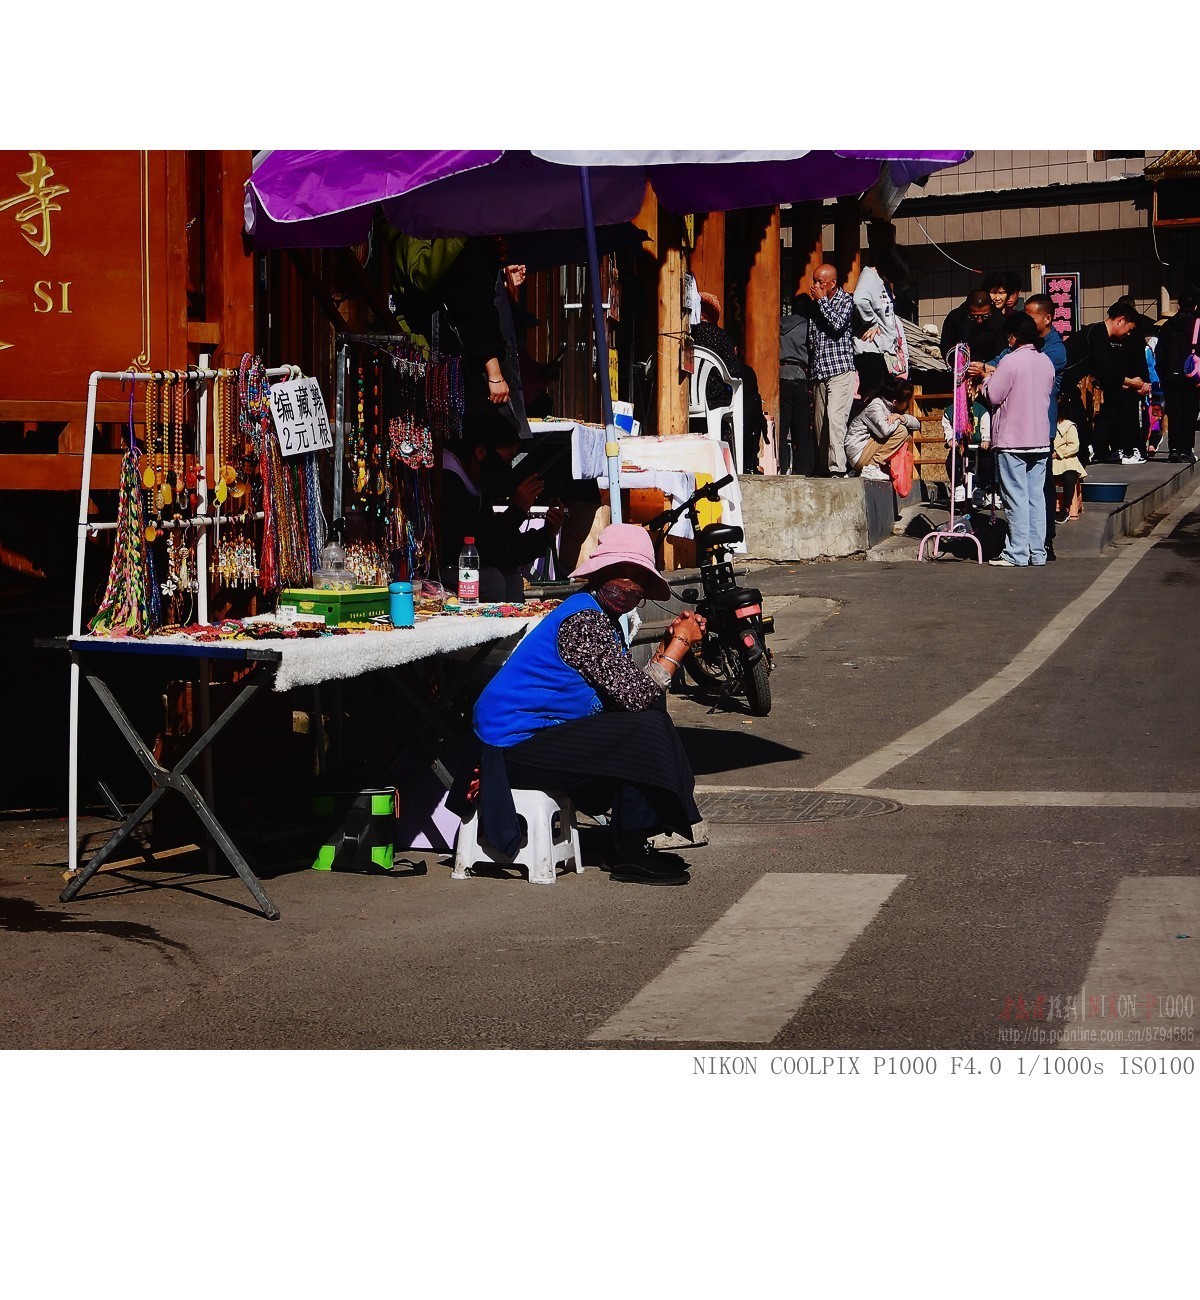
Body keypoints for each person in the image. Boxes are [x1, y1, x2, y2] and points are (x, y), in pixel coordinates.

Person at [466, 523, 706, 885]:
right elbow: (635, 696)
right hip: (511, 748)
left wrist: (666, 646)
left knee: (649, 715)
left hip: (543, 736)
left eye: (639, 578)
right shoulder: (584, 620)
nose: (630, 586)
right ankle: (630, 849)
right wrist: (678, 647)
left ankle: (632, 839)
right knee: (644, 725)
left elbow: (630, 691)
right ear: (601, 574)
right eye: (622, 573)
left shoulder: (602, 619)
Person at [439, 418, 564, 602]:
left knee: (512, 580)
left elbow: (503, 551)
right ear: (481, 453)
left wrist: (546, 534)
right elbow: (482, 546)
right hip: (443, 572)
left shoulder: (477, 485)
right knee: (493, 579)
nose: (508, 469)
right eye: (506, 460)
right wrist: (516, 511)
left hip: (471, 565)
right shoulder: (450, 482)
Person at [980, 311, 1056, 568]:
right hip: (1040, 438)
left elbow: (993, 395)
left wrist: (985, 380)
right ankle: (1038, 552)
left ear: (1013, 337)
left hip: (1013, 438)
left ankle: (1016, 553)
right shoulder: (1045, 361)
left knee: (1016, 498)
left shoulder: (1011, 362)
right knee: (1037, 497)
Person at [1062, 299, 1150, 464]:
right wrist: (1133, 383)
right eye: (1129, 329)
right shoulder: (1098, 333)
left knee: (1082, 425)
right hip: (1062, 383)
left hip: (1068, 384)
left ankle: (1084, 456)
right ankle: (1080, 459)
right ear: (1121, 320)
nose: (1128, 334)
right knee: (1079, 424)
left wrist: (1126, 384)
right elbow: (1106, 371)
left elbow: (1101, 373)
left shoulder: (1100, 334)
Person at [691, 292, 765, 473]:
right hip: (713, 399)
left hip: (686, 398)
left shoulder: (685, 333)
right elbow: (734, 371)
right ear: (712, 314)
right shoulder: (720, 335)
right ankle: (728, 464)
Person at [804, 263, 857, 477]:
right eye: (814, 281)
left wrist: (822, 302)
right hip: (819, 372)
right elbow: (811, 339)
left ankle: (838, 468)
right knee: (820, 425)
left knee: (835, 420)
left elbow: (837, 324)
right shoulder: (815, 306)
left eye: (820, 282)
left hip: (840, 370)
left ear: (833, 283)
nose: (815, 286)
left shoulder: (845, 301)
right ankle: (823, 468)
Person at [853, 249, 910, 399]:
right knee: (873, 399)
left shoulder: (882, 281)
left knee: (883, 399)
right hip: (870, 350)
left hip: (883, 350)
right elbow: (859, 300)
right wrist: (871, 323)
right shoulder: (869, 277)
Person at [1154, 288, 1200, 464]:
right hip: (1192, 377)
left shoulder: (1167, 326)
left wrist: (1163, 374)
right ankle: (1186, 450)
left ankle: (1173, 449)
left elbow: (1160, 352)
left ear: (1179, 306)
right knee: (1189, 412)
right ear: (1195, 306)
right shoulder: (1197, 324)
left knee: (1174, 413)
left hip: (1170, 376)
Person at [844, 375, 919, 482]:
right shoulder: (876, 406)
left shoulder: (891, 409)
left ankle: (871, 467)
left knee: (906, 431)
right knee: (902, 431)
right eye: (907, 402)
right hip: (858, 453)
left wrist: (901, 417)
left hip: (866, 451)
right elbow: (884, 431)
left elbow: (917, 424)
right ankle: (872, 467)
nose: (907, 405)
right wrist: (898, 420)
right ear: (895, 401)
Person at [779, 294, 814, 476]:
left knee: (781, 428)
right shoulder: (808, 327)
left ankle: (780, 466)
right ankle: (804, 470)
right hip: (800, 377)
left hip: (781, 376)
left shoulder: (779, 323)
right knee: (802, 429)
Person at [941, 289, 1008, 365]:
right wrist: (959, 366)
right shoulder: (955, 318)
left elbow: (1001, 352)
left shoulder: (999, 320)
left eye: (984, 316)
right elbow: (946, 347)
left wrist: (984, 368)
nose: (979, 320)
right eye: (974, 316)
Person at [1052, 416, 1087, 522]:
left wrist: (1059, 453)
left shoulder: (1068, 426)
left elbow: (1074, 446)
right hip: (1050, 460)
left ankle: (1066, 508)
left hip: (1067, 460)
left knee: (1069, 477)